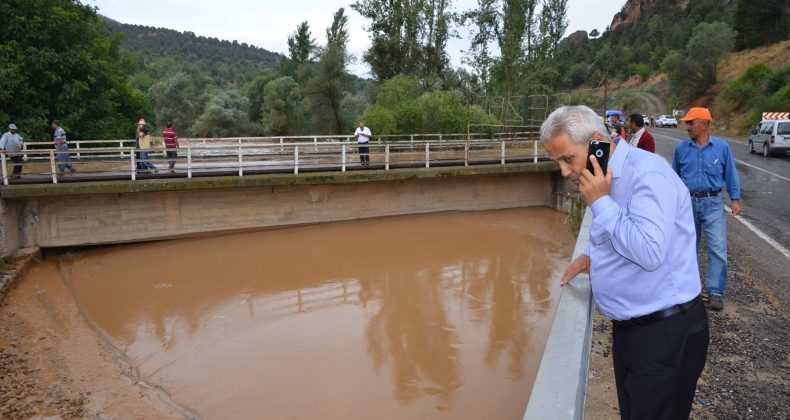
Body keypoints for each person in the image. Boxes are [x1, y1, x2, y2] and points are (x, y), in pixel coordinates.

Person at [543, 105, 708, 420]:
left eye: (567, 159)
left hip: (665, 332)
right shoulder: (602, 178)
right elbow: (622, 230)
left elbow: (649, 252)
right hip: (634, 331)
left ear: (596, 142)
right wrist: (591, 257)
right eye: (557, 162)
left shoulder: (647, 174)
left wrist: (601, 202)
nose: (564, 172)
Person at [672, 107, 741, 311]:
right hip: (688, 204)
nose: (688, 127)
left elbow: (731, 174)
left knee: (718, 248)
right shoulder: (681, 149)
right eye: (688, 123)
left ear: (704, 124)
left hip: (713, 203)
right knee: (687, 248)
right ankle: (689, 291)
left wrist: (735, 199)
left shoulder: (722, 147)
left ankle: (716, 292)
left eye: (691, 123)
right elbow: (674, 179)